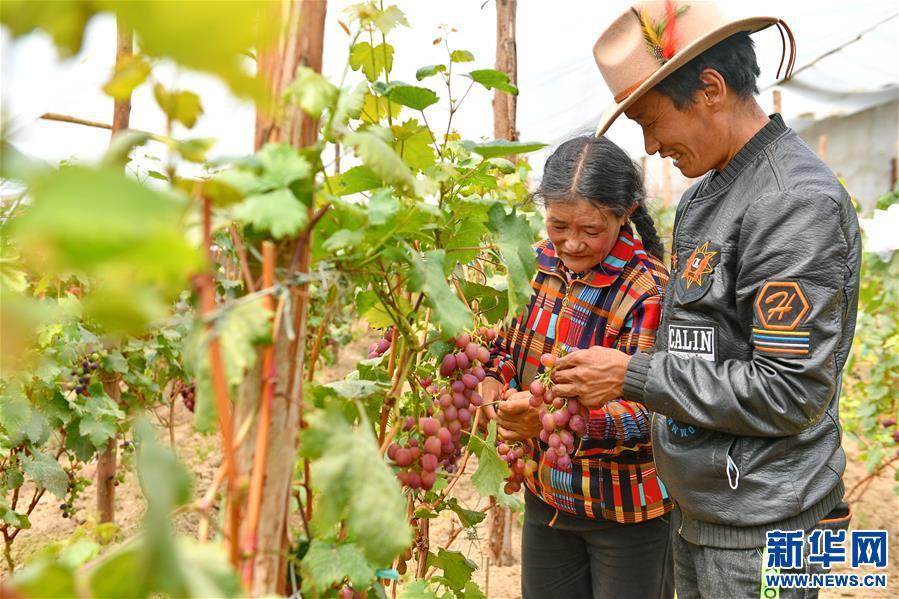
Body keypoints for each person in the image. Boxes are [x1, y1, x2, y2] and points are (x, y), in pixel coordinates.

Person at [550, 2, 861, 598]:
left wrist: (634, 376)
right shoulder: (708, 196)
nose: (650, 143)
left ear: (710, 89)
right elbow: (697, 352)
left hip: (769, 530)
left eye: (651, 119)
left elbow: (789, 390)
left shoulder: (792, 204)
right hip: (709, 512)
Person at [481, 135, 674, 599]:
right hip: (547, 497)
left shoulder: (650, 290)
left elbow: (653, 411)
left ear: (624, 213)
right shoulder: (534, 264)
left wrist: (550, 423)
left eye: (590, 229)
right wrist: (493, 384)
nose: (570, 241)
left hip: (628, 513)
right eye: (557, 224)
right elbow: (501, 348)